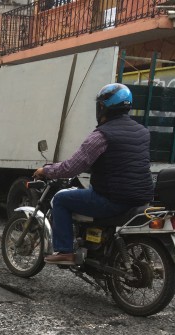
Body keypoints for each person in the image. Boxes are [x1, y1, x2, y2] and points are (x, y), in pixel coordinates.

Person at [33, 83, 154, 265]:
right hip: (141, 197)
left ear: (103, 106)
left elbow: (71, 167)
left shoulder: (102, 135)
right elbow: (122, 160)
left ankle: (65, 251)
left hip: (113, 199)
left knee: (60, 199)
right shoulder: (142, 132)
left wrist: (46, 170)